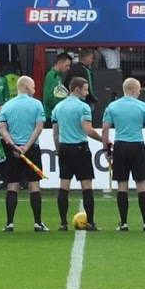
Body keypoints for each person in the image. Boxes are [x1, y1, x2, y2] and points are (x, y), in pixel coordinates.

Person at [102, 77, 145, 231]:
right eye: (138, 90)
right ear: (133, 90)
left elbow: (105, 130)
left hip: (120, 147)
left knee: (122, 185)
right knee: (142, 184)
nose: (139, 92)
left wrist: (106, 149)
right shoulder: (142, 106)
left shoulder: (112, 106)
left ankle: (123, 223)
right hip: (137, 147)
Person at [0, 75, 49, 232]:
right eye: (32, 87)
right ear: (26, 86)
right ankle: (38, 223)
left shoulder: (7, 106)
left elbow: (2, 129)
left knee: (12, 185)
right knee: (34, 185)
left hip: (13, 150)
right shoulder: (37, 104)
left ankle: (10, 223)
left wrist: (14, 146)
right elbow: (38, 128)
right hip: (31, 149)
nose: (34, 89)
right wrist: (26, 147)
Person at [51, 77, 99, 231]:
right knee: (86, 186)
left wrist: (58, 149)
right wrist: (103, 140)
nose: (87, 92)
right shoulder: (83, 107)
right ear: (77, 89)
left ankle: (63, 223)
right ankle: (90, 222)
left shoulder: (58, 107)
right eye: (85, 89)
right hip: (80, 148)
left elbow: (55, 134)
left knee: (64, 186)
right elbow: (88, 130)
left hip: (64, 148)